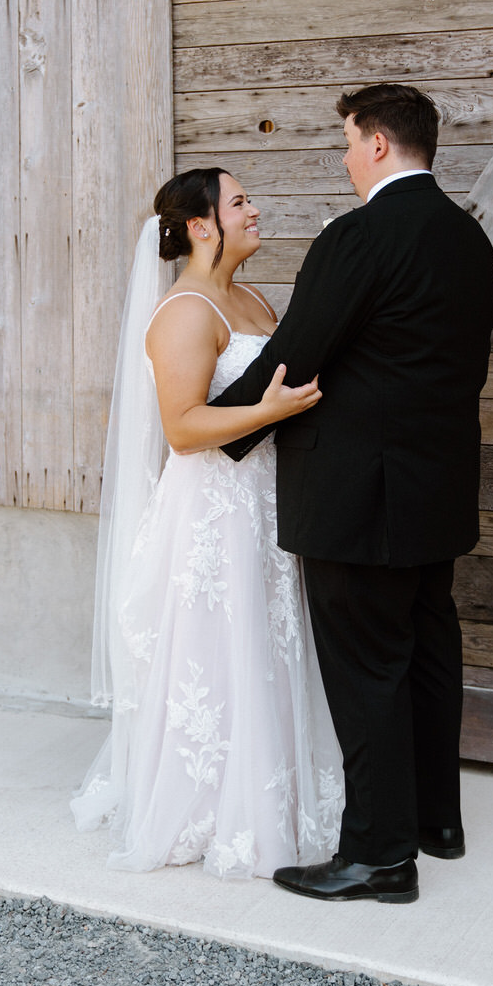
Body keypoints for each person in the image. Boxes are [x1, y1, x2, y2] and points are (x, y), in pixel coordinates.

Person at [211, 83, 493, 904]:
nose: (343, 159)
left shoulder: (359, 235)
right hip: (437, 485)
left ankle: (378, 856)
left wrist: (214, 429)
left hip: (357, 491)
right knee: (429, 648)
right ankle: (437, 822)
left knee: (369, 666)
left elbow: (298, 354)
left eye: (346, 141)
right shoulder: (465, 238)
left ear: (376, 143)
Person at [72, 168, 343, 879]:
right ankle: (208, 807)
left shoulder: (249, 297)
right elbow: (184, 428)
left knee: (266, 641)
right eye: (240, 202)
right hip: (212, 512)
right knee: (217, 650)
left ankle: (271, 794)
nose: (256, 210)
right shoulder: (186, 311)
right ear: (201, 226)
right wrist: (269, 414)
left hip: (262, 501)